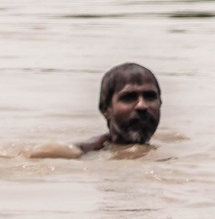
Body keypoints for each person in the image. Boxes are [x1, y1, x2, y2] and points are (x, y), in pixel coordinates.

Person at [32, 63, 164, 157]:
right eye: (128, 97)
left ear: (160, 104)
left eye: (150, 96)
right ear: (106, 110)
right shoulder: (84, 152)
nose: (142, 105)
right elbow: (35, 154)